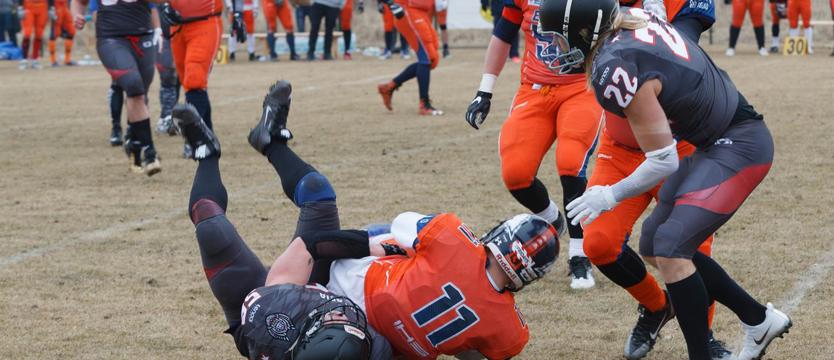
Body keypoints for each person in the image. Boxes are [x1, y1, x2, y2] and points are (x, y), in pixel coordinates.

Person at [539, 1, 793, 358]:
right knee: (655, 243)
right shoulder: (634, 23)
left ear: (584, 31)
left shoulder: (613, 66)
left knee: (672, 245)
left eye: (561, 39)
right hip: (717, 136)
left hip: (737, 143)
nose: (557, 49)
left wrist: (609, 196)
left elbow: (662, 159)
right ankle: (759, 319)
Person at [171, 85, 394, 359]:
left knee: (210, 227)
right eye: (346, 322)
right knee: (317, 190)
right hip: (320, 282)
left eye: (334, 320)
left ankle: (205, 152)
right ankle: (270, 140)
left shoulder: (266, 317)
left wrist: (365, 244)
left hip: (269, 304)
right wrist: (383, 246)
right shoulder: (378, 348)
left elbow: (308, 246)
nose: (339, 314)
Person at [583, 0, 730, 358]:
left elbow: (677, 49)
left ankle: (704, 340)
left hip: (678, 146)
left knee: (690, 248)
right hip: (619, 147)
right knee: (598, 242)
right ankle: (656, 306)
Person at [464, 0, 604, 289]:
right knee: (515, 173)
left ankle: (579, 255)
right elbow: (503, 34)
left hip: (581, 86)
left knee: (570, 161)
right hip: (535, 87)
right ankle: (552, 218)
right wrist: (484, 91)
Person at [72, 0, 163, 175]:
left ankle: (134, 141)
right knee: (133, 85)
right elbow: (78, 2)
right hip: (111, 38)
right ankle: (149, 152)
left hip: (144, 36)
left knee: (140, 94)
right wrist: (78, 14)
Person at [377, 0, 443, 115]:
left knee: (432, 60)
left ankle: (389, 87)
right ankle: (424, 104)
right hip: (408, 10)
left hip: (422, 11)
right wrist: (390, 3)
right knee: (427, 57)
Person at [154, 15, 181, 143]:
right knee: (168, 75)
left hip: (182, 31)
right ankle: (166, 116)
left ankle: (174, 117)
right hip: (163, 35)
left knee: (181, 77)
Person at [19, 0, 52, 69]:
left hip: (42, 6)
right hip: (28, 5)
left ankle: (35, 59)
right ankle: (24, 59)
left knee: (39, 35)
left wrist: (51, 7)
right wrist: (20, 6)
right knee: (27, 33)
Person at [48, 0, 74, 66]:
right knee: (55, 32)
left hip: (65, 5)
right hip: (56, 6)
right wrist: (51, 7)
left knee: (71, 31)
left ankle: (67, 60)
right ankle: (53, 60)